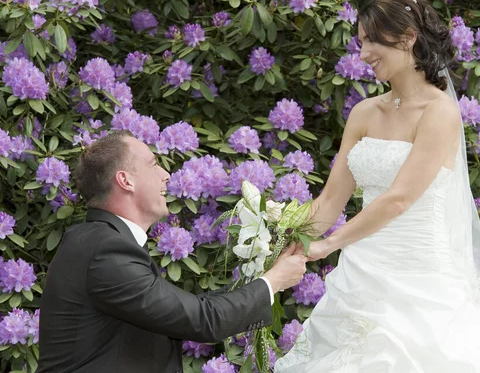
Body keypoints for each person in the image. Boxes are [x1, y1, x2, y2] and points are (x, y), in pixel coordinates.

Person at [275, 0, 480, 372]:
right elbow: (330, 200)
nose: (362, 54)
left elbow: (399, 199)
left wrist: (328, 245)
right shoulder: (363, 112)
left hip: (420, 277)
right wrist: (285, 243)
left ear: (408, 36)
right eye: (360, 43)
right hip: (362, 276)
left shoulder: (439, 112)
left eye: (371, 41)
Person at [38, 130, 307, 373]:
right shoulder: (106, 252)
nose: (166, 174)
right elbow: (202, 320)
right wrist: (274, 282)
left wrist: (265, 279)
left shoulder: (97, 241)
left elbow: (185, 311)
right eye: (154, 164)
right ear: (125, 180)